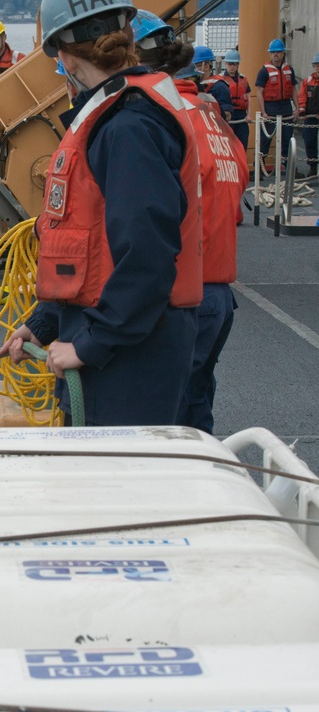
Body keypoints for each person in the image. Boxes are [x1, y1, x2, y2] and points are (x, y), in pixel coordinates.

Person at [0, 0, 202, 427]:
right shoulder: (118, 119)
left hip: (130, 352)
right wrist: (44, 323)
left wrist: (91, 344)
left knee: (117, 487)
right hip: (112, 333)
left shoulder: (129, 128)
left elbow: (147, 254)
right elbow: (94, 248)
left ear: (65, 57)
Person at [133, 14, 249, 433]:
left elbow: (149, 217)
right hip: (218, 296)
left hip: (182, 298)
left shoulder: (161, 118)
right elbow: (235, 195)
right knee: (197, 410)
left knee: (163, 425)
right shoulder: (211, 114)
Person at [256, 38, 300, 170]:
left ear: (283, 53)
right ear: (270, 54)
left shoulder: (289, 69)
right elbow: (259, 93)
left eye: (278, 52)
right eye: (273, 52)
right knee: (265, 140)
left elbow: (292, 90)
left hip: (286, 107)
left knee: (287, 139)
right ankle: (260, 167)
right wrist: (263, 112)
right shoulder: (264, 71)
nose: (276, 54)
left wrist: (297, 108)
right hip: (270, 107)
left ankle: (288, 167)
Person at [219, 50, 251, 148]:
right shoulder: (220, 80)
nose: (232, 66)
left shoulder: (243, 79)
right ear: (226, 64)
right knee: (228, 146)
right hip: (227, 116)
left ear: (238, 64)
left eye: (235, 64)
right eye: (230, 64)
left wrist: (249, 115)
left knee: (242, 145)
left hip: (241, 117)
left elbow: (248, 97)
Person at [194, 46, 234, 121]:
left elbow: (227, 115)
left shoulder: (219, 87)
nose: (193, 70)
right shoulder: (193, 86)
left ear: (206, 66)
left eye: (196, 66)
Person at [298, 53, 319, 179]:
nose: (317, 67)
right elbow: (302, 96)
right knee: (309, 141)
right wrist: (302, 110)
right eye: (316, 65)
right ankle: (313, 166)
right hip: (310, 117)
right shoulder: (307, 81)